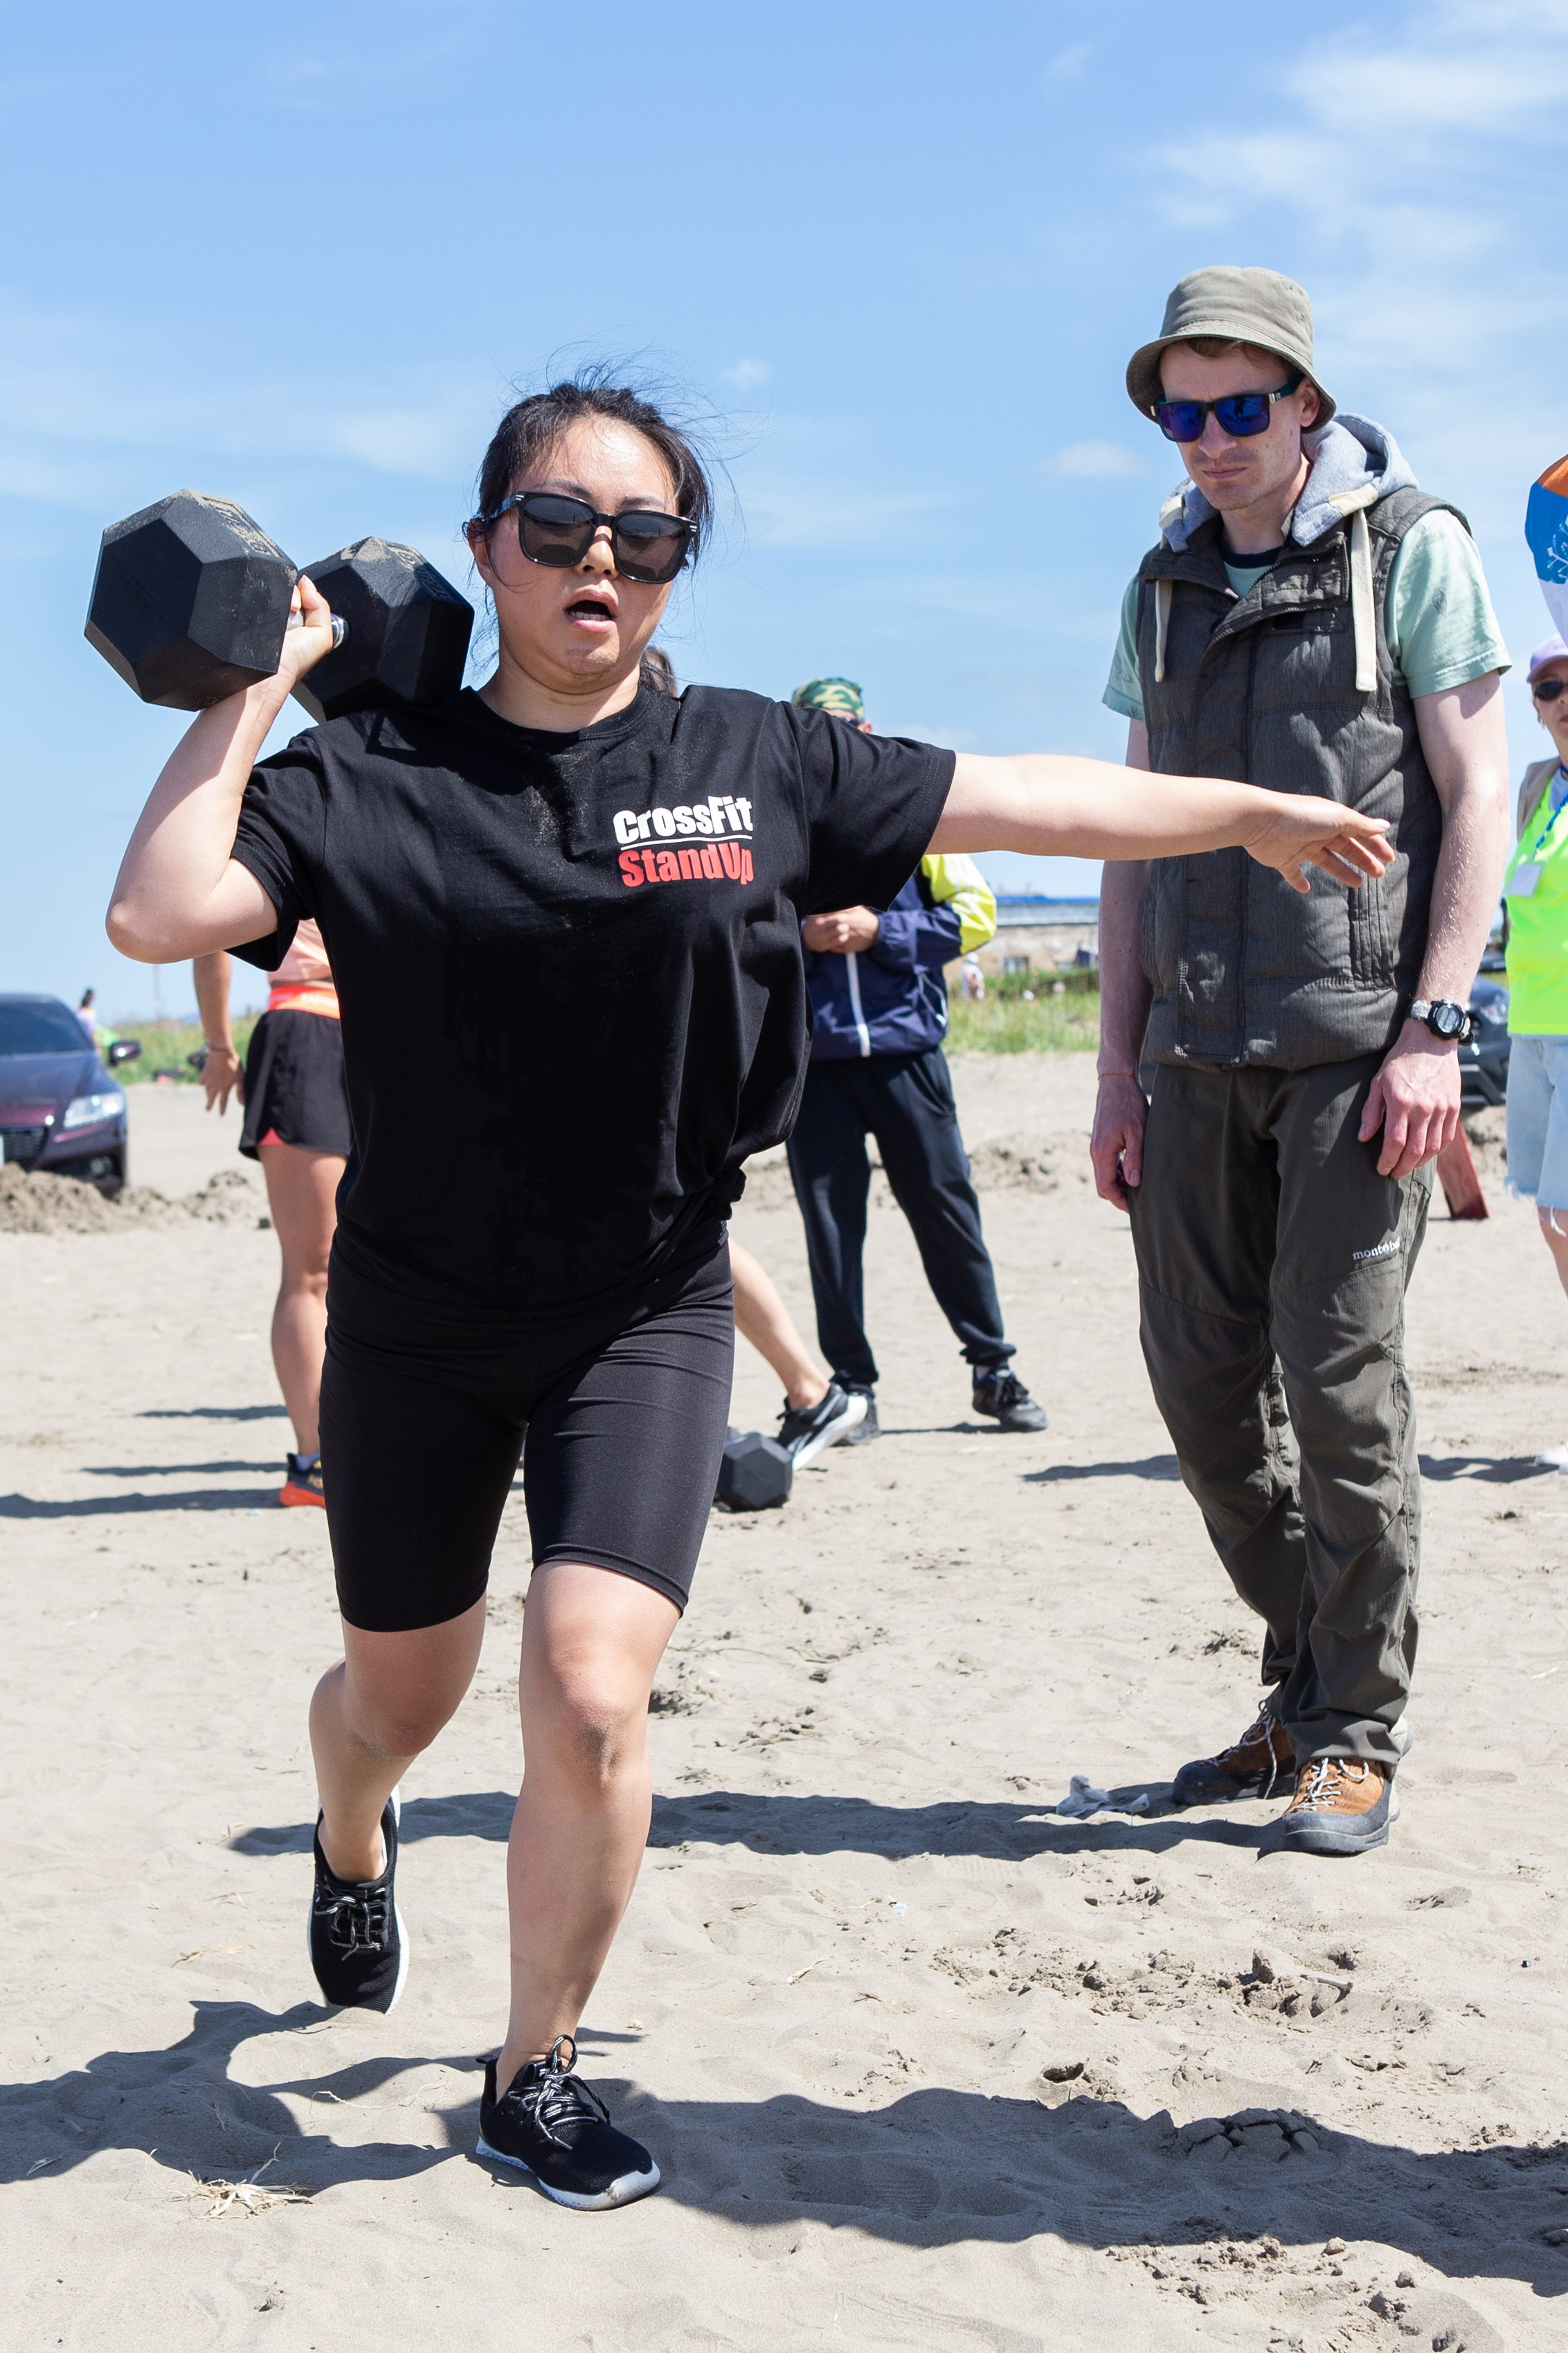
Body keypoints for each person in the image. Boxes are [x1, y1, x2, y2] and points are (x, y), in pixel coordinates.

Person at [107, 371, 1391, 2211]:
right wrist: (255, 676)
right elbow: (158, 916)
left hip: (640, 1304)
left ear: (676, 564)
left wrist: (1243, 810)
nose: (599, 563)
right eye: (557, 526)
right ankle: (351, 1819)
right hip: (414, 1317)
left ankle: (533, 2063)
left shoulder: (755, 758)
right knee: (405, 1687)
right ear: (491, 546)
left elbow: (1024, 795)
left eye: (645, 535)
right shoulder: (367, 772)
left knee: (590, 1687)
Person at [1092, 267, 1512, 1857]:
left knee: (1335, 1388)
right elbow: (1126, 835)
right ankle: (1298, 1677)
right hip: (1193, 1052)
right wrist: (1115, 1065)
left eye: (1236, 407)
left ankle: (1351, 1724)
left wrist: (1433, 1028)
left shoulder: (1412, 548)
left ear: (1304, 404)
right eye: (1177, 410)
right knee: (1202, 1397)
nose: (1205, 438)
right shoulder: (1155, 584)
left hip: (1358, 1055)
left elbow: (1473, 791)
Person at [785, 677, 1047, 1440]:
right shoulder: (780, 825)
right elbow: (739, 930)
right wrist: (798, 936)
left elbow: (977, 916)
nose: (838, 743)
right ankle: (853, 1389)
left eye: (848, 727)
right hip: (817, 1063)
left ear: (868, 728)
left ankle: (992, 1367)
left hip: (909, 1055)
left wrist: (880, 933)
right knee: (831, 1231)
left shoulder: (918, 820)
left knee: (947, 1213)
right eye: (819, 730)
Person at [640, 646, 865, 1462]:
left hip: (673, 1092)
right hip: (681, 1086)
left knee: (692, 1235)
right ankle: (815, 1387)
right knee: (691, 1236)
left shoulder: (710, 814)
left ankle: (813, 1386)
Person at [193, 927, 352, 1507]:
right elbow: (211, 934)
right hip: (307, 1026)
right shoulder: (269, 830)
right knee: (314, 1269)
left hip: (390, 1030)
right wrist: (218, 1046)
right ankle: (316, 1463)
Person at [1502, 638, 1568, 1402]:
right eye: (1549, 686)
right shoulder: (1534, 785)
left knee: (1564, 1217)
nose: (1563, 698)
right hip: (1530, 1029)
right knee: (1553, 1224)